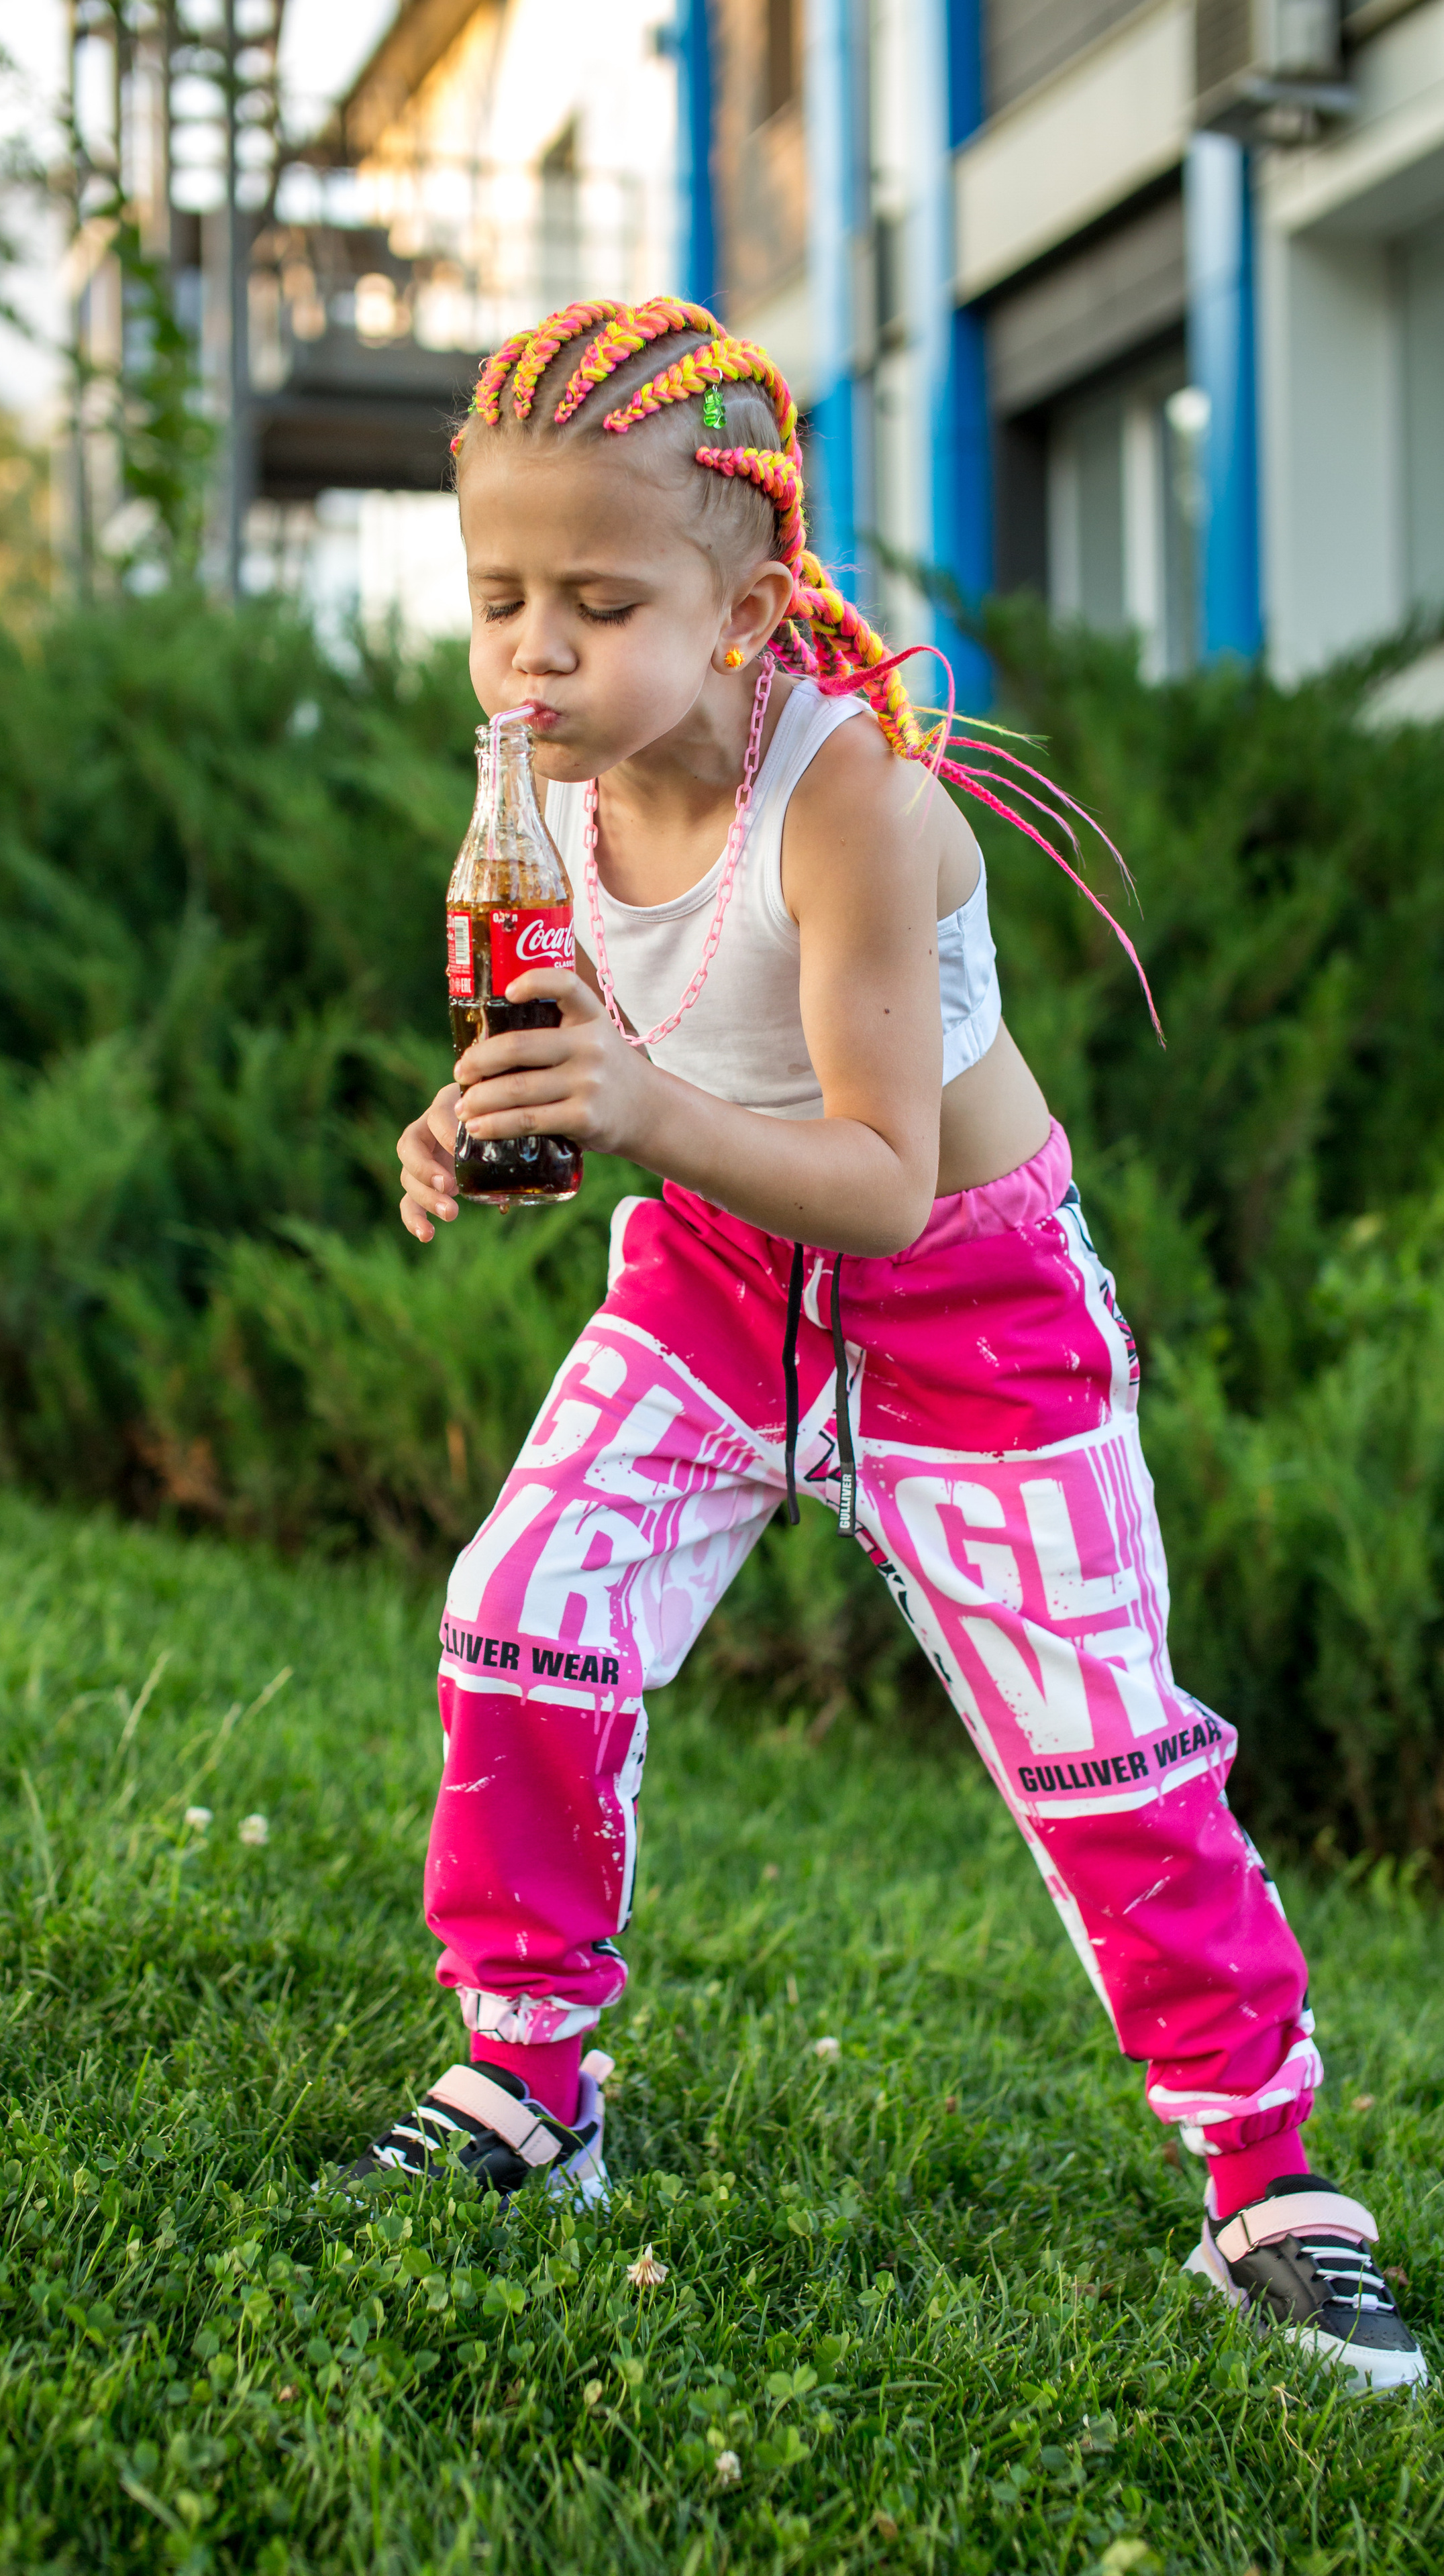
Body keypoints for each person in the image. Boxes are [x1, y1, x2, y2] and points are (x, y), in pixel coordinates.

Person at [348, 297, 1424, 2394]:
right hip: (711, 1280)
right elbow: (599, 1054)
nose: (535, 656)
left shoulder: (849, 807)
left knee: (1097, 1736)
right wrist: (466, 1124)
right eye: (499, 602)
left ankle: (1273, 2192)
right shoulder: (545, 799)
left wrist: (644, 1112)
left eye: (598, 601)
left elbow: (884, 1180)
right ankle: (526, 2081)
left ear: (747, 605)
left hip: (962, 1304)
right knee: (521, 1611)